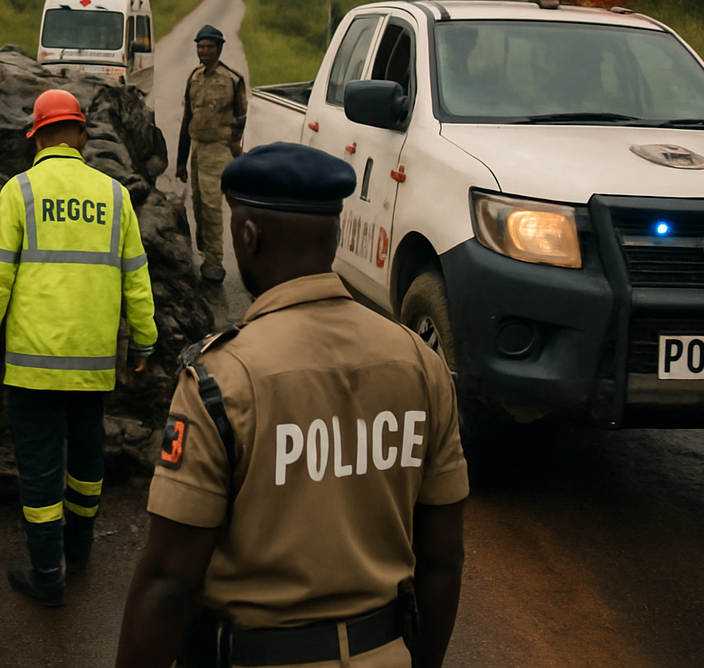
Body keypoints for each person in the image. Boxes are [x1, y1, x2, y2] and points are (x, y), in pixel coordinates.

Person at [116, 142, 468, 668]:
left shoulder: (221, 378)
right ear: (335, 234)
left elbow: (169, 583)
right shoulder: (421, 363)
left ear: (248, 236)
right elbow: (442, 558)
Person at [0, 88, 158, 608]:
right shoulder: (115, 196)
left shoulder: (19, 193)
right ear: (81, 135)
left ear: (36, 138)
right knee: (87, 456)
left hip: (31, 367)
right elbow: (137, 280)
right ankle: (81, 550)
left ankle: (48, 572)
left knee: (40, 466)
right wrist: (144, 341)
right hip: (92, 366)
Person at [175, 24, 247, 283]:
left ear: (219, 48)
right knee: (197, 204)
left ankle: (215, 262)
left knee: (212, 206)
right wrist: (181, 161)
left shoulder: (232, 79)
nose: (204, 51)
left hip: (218, 150)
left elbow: (241, 116)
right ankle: (206, 251)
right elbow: (187, 119)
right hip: (197, 149)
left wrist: (233, 146)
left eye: (208, 47)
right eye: (200, 47)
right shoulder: (194, 78)